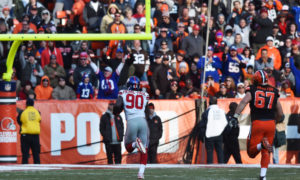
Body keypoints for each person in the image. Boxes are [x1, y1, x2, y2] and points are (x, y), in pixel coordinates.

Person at [231, 70, 284, 180]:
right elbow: (280, 112)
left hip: (258, 122)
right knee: (266, 151)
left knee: (251, 152)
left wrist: (235, 116)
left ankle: (261, 145)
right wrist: (275, 121)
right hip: (270, 123)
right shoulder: (274, 91)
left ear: (257, 79)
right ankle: (263, 176)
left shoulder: (253, 89)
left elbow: (243, 102)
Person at [113, 76, 149, 179]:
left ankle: (135, 144)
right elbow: (146, 111)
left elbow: (117, 105)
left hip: (132, 121)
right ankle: (141, 173)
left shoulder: (123, 93)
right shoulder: (145, 94)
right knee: (144, 149)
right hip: (142, 121)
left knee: (128, 147)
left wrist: (116, 112)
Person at [199, 96, 227, 164]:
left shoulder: (207, 112)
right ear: (216, 102)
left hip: (209, 135)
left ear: (209, 103)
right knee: (220, 152)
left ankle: (209, 168)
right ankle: (222, 166)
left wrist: (202, 136)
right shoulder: (222, 111)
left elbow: (203, 125)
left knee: (209, 153)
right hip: (219, 135)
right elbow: (225, 123)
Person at [17, 98, 41, 164]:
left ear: (26, 104)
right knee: (36, 154)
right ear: (33, 104)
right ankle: (38, 169)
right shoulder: (37, 112)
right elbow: (39, 121)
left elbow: (19, 121)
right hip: (35, 135)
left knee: (25, 154)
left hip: (25, 135)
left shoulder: (22, 112)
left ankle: (24, 169)